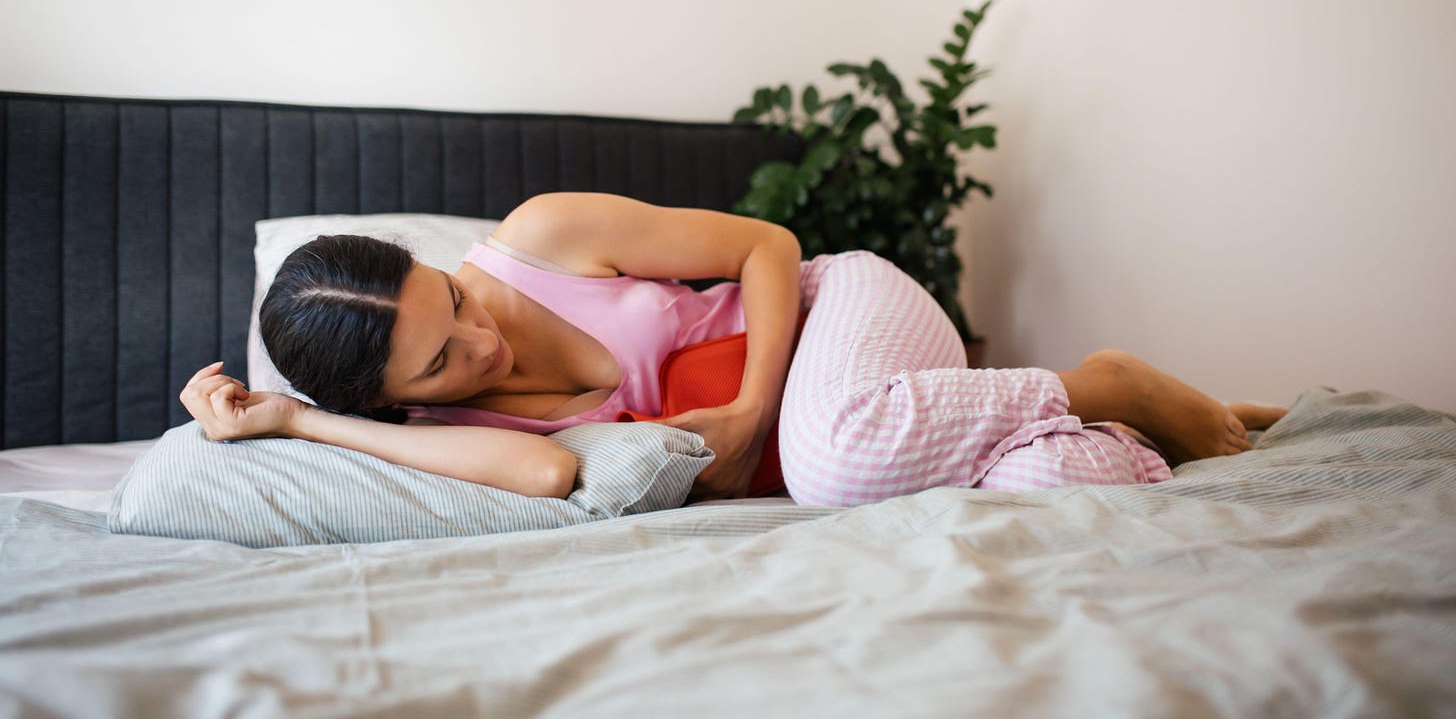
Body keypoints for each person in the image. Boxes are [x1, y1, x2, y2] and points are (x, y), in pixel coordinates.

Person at [179, 193, 1286, 505]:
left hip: (836, 311)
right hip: (858, 427)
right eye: (436, 360)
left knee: (834, 463)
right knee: (1055, 490)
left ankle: (1097, 375)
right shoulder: (444, 431)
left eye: (445, 297)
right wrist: (297, 416)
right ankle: (1104, 421)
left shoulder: (539, 237)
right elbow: (550, 470)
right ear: (391, 401)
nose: (477, 331)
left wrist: (756, 408)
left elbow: (767, 243)